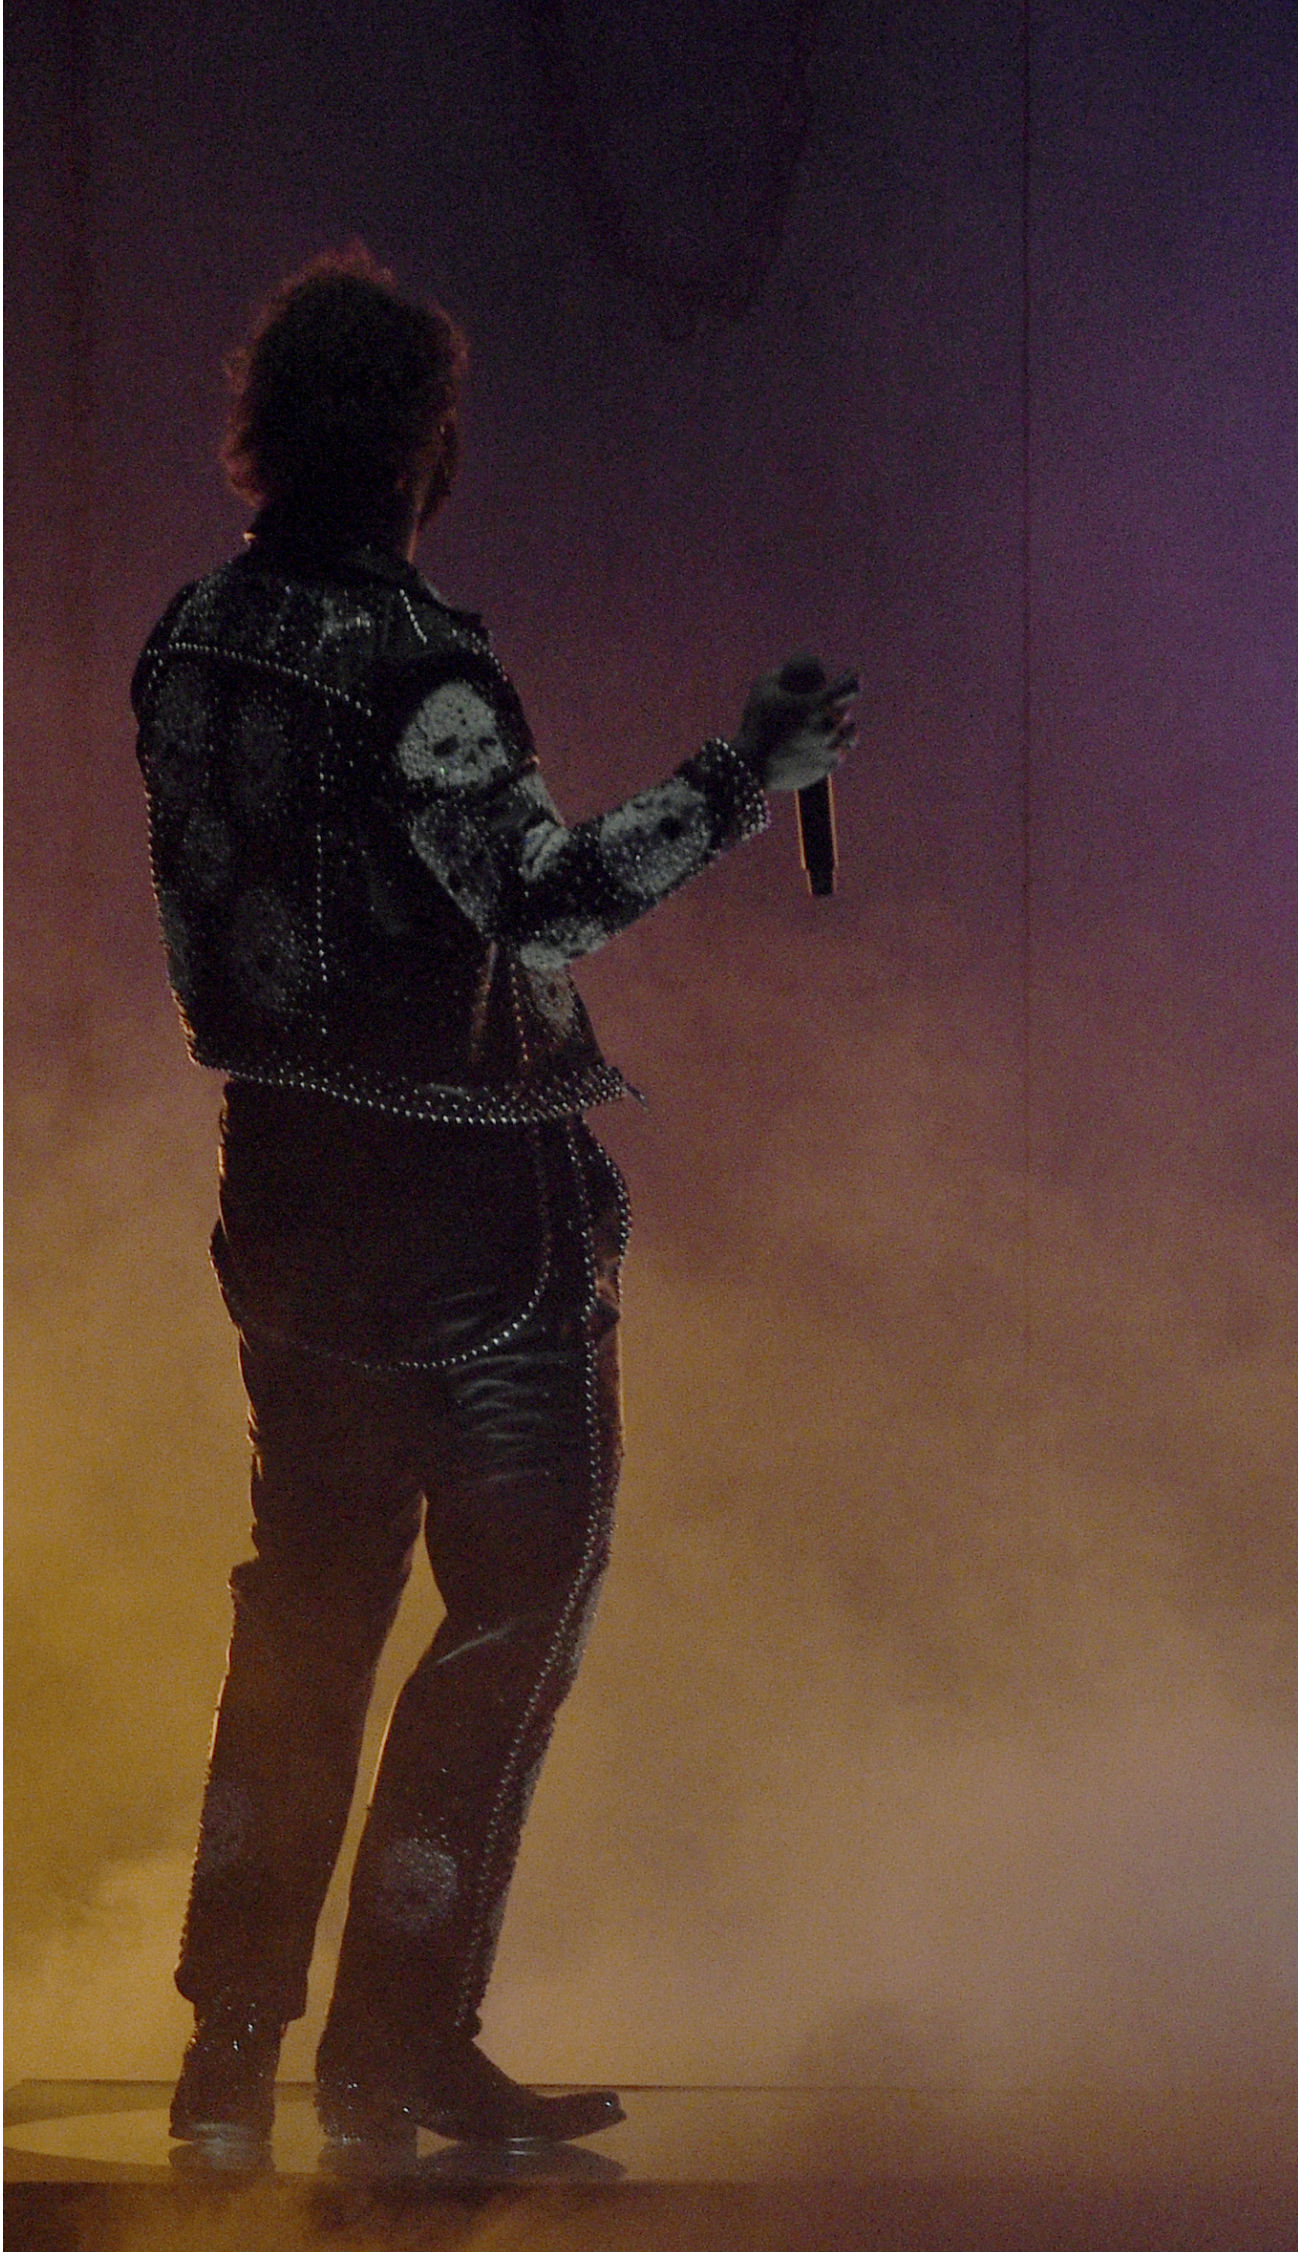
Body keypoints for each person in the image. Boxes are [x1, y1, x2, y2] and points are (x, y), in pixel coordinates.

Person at [139, 248, 858, 2156]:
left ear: (265, 424)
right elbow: (544, 900)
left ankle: (228, 2057)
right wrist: (743, 775)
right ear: (423, 443)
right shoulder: (413, 665)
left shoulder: (188, 639)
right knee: (508, 1605)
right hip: (469, 1213)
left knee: (306, 1605)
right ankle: (391, 2043)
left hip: (279, 1196)